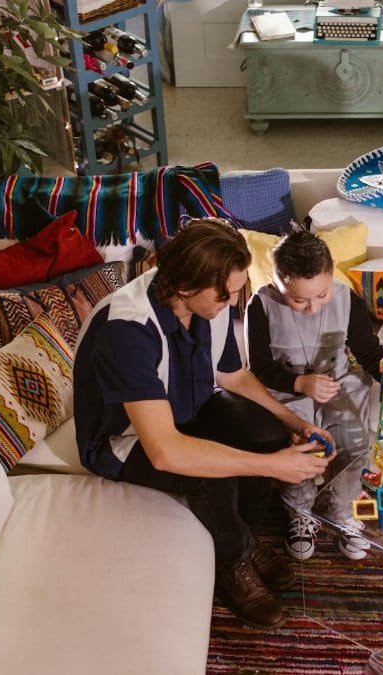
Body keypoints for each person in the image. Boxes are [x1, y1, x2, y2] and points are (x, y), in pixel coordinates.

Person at [73, 218, 336, 630]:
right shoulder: (128, 330)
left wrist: (290, 420)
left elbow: (231, 375)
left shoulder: (208, 302)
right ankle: (234, 563)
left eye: (236, 291)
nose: (232, 304)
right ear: (184, 287)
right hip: (123, 440)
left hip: (184, 411)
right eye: (227, 294)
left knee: (266, 431)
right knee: (209, 477)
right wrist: (274, 467)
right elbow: (165, 451)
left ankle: (243, 540)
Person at [245, 229, 383, 561]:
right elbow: (259, 368)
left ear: (330, 274)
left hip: (339, 383)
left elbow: (368, 350)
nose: (311, 308)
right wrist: (300, 384)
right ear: (274, 280)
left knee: (353, 443)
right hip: (287, 390)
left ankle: (341, 511)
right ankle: (300, 512)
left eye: (321, 295)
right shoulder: (260, 306)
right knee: (303, 445)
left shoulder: (346, 298)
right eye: (298, 299)